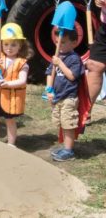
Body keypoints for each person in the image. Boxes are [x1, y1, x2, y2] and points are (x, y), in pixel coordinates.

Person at [0, 22, 29, 146]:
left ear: (20, 46)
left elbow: (22, 80)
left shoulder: (22, 63)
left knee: (10, 121)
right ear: (1, 44)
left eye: (13, 45)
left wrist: (8, 84)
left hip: (10, 98)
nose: (9, 48)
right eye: (6, 44)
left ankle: (11, 144)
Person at [47, 28, 84, 161]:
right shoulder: (57, 57)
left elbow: (72, 76)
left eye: (62, 42)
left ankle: (69, 151)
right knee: (61, 123)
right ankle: (65, 147)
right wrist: (48, 89)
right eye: (57, 42)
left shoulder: (74, 59)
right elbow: (49, 73)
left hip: (69, 97)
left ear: (74, 43)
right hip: (57, 97)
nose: (59, 46)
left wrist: (60, 63)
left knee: (68, 124)